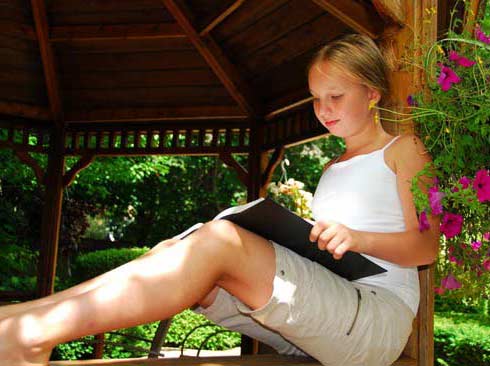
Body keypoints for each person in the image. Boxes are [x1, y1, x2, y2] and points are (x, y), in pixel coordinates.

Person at [0, 33, 440, 366]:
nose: (323, 109)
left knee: (220, 240)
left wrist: (355, 238)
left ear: (373, 92)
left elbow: (425, 248)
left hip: (376, 320)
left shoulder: (404, 150)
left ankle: (35, 333)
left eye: (336, 96)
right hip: (320, 317)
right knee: (175, 251)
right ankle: (19, 320)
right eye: (316, 98)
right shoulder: (331, 168)